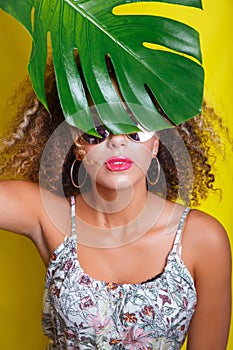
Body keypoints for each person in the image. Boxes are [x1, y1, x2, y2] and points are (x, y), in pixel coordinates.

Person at [0, 55, 231, 350]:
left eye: (136, 127)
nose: (118, 142)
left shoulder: (202, 239)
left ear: (158, 139)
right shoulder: (46, 215)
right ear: (77, 143)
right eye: (98, 129)